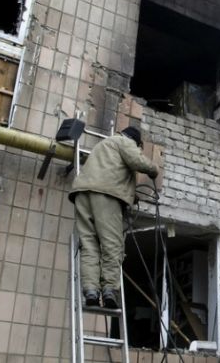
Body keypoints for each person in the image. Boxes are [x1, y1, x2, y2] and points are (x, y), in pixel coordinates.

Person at [68, 126, 159, 308]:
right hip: (104, 196)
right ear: (136, 142)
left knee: (89, 245)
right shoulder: (125, 142)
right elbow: (137, 161)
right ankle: (109, 291)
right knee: (112, 245)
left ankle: (91, 292)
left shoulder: (103, 145)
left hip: (82, 194)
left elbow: (110, 174)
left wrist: (130, 195)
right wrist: (154, 169)